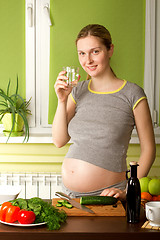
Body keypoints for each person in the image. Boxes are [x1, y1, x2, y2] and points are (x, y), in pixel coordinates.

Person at [52, 24, 156, 200]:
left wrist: (129, 191)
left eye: (95, 52)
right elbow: (59, 140)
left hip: (108, 196)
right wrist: (62, 101)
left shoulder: (132, 94)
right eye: (82, 53)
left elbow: (149, 149)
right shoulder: (77, 91)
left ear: (110, 50)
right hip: (69, 196)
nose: (88, 60)